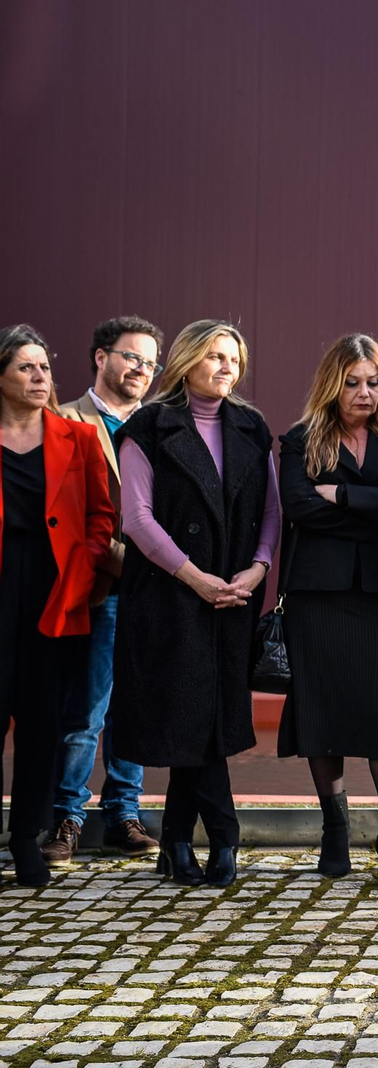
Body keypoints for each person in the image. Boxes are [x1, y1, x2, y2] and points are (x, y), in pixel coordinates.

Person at [112, 319, 280, 888]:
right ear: (186, 361)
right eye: (214, 355)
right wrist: (195, 577)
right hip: (168, 594)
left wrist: (257, 570)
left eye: (234, 357)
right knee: (193, 715)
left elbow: (273, 512)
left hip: (233, 595)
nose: (227, 366)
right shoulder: (150, 426)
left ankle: (178, 840)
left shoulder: (252, 427)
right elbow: (136, 519)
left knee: (206, 719)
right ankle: (224, 838)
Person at [277, 334, 378, 890]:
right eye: (352, 382)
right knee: (324, 711)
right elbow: (298, 506)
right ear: (332, 383)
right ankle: (334, 827)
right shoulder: (301, 440)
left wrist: (339, 495)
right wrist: (377, 504)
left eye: (373, 381)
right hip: (317, 596)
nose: (364, 392)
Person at [43, 316, 164, 867]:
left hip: (153, 590)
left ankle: (123, 814)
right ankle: (66, 816)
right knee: (86, 708)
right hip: (92, 588)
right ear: (100, 357)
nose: (140, 369)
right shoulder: (62, 420)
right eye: (130, 356)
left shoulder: (164, 425)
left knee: (135, 706)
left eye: (149, 361)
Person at [0, 325, 115, 885]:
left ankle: (27, 840)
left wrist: (87, 561)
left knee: (43, 724)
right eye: (26, 367)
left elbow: (102, 515)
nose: (40, 377)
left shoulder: (77, 438)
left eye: (44, 367)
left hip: (55, 596)